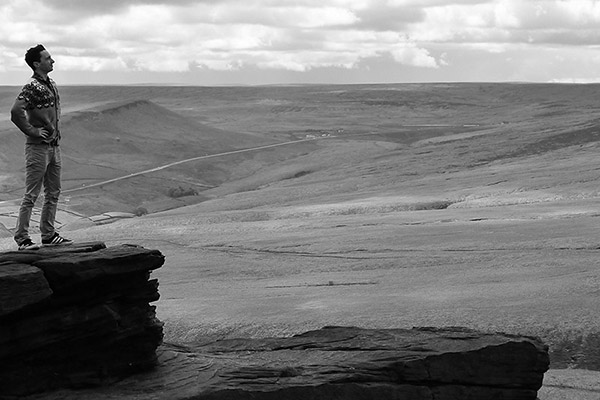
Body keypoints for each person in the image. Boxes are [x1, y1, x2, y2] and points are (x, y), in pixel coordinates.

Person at [11, 44, 72, 250]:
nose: (52, 61)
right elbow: (16, 112)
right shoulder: (32, 87)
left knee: (53, 192)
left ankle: (48, 234)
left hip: (54, 146)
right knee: (32, 194)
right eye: (48, 58)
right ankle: (22, 238)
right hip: (38, 148)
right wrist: (33, 132)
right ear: (37, 63)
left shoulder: (51, 83)